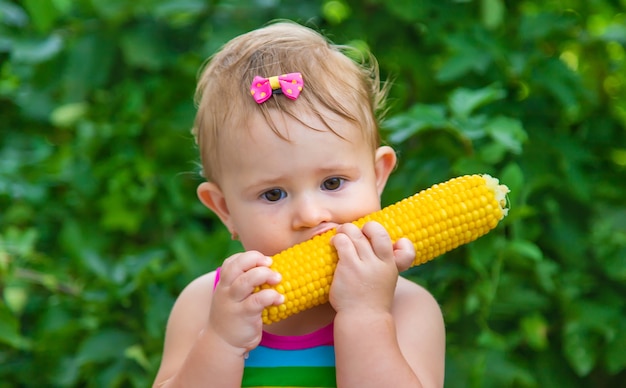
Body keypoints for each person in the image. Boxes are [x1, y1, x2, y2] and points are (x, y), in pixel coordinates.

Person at [153, 20, 445, 387]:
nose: (310, 216)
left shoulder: (407, 308)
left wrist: (366, 315)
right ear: (225, 210)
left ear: (378, 176)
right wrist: (222, 342)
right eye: (273, 194)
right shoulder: (204, 305)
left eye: (332, 183)